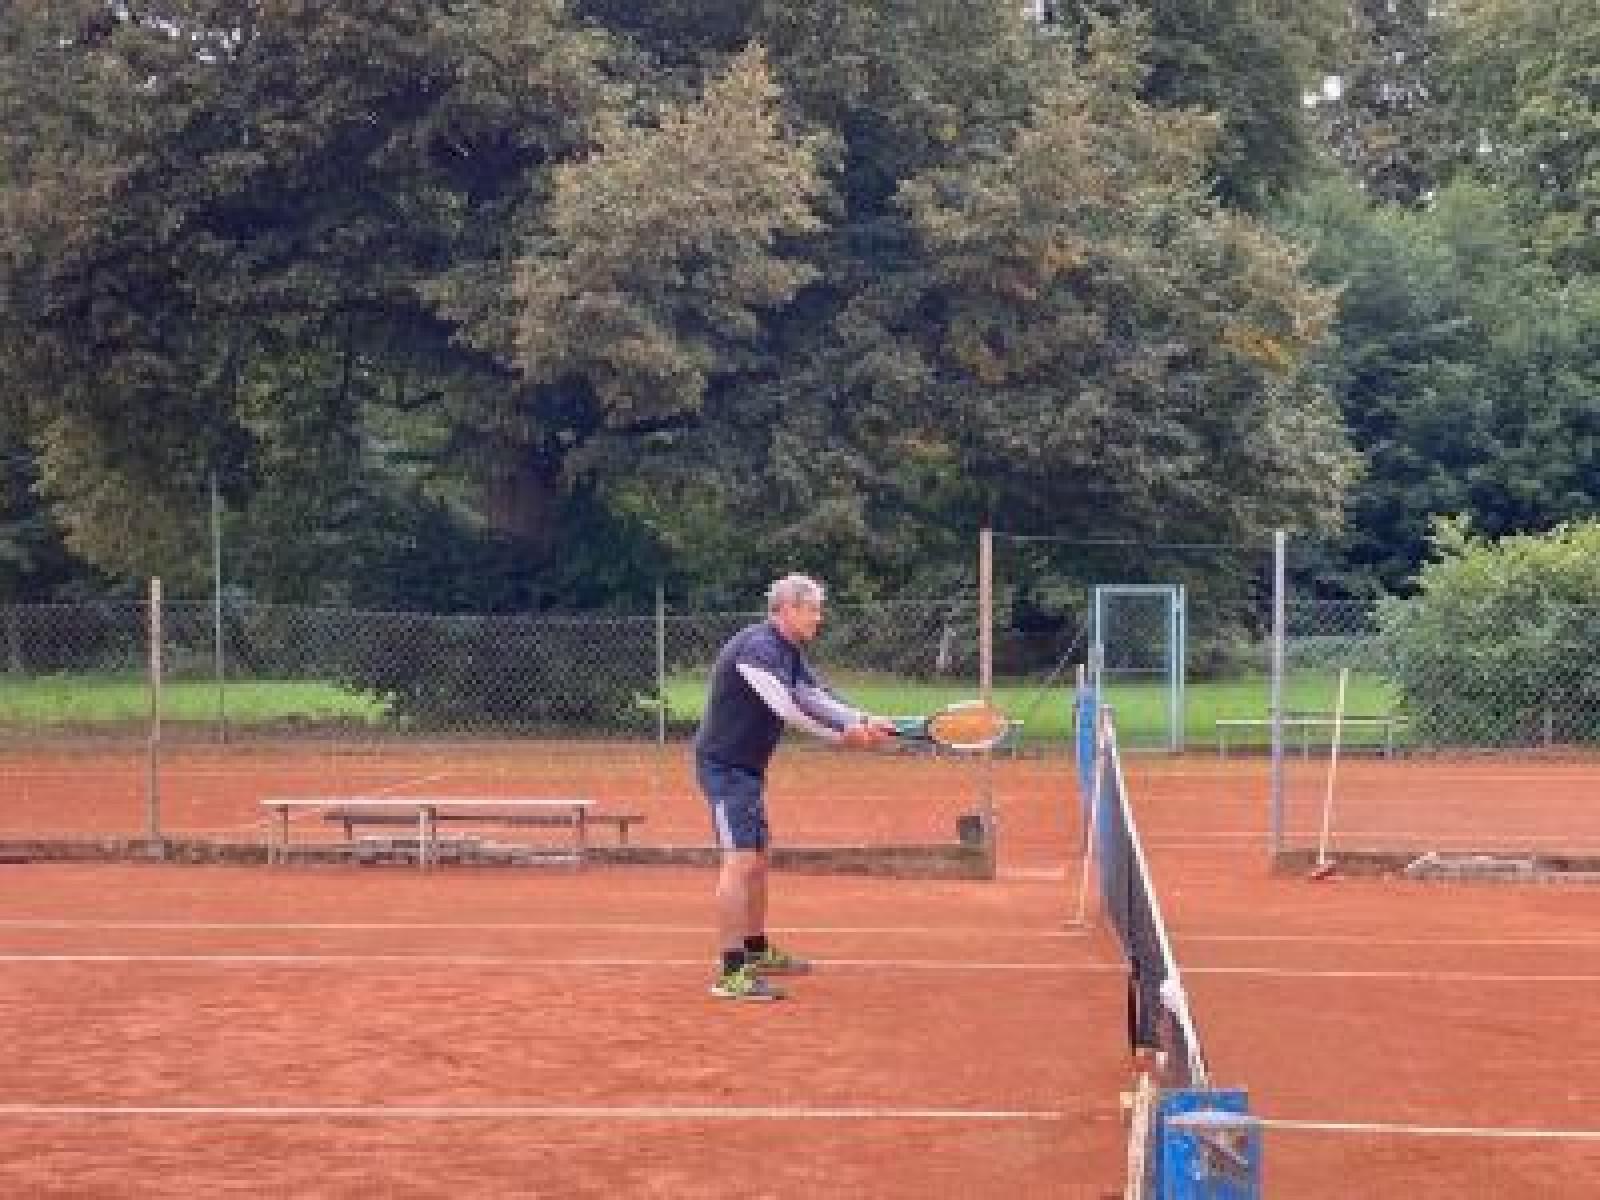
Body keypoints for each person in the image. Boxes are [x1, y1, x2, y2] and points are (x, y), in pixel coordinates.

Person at [694, 573, 896, 1001]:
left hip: (748, 768)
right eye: (812, 610)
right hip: (725, 767)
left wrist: (861, 719)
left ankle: (755, 949)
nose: (819, 618)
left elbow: (816, 694)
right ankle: (731, 973)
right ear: (787, 609)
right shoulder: (757, 649)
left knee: (759, 858)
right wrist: (842, 735)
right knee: (740, 862)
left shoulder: (787, 651)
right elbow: (788, 708)